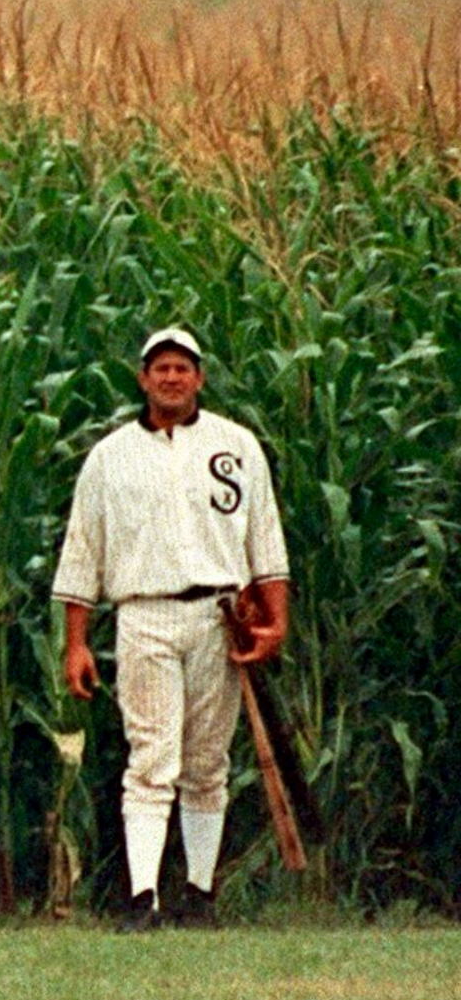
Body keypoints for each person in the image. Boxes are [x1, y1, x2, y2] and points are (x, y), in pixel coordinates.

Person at [54, 328, 291, 930]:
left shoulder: (235, 446)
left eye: (183, 367)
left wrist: (275, 622)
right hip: (145, 615)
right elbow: (82, 551)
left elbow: (265, 540)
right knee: (152, 756)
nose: (171, 377)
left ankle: (200, 893)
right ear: (143, 379)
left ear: (200, 378)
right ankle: (143, 899)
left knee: (207, 760)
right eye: (160, 367)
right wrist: (76, 642)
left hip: (218, 616)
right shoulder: (110, 457)